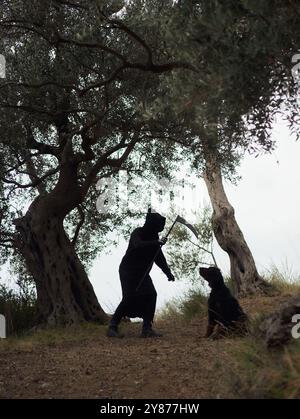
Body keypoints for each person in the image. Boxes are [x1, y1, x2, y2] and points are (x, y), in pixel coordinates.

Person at [107, 209, 175, 338]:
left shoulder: (155, 239)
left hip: (142, 273)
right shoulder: (138, 232)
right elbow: (138, 244)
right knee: (129, 297)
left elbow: (159, 258)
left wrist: (168, 272)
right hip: (128, 270)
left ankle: (147, 328)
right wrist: (156, 243)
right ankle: (112, 326)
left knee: (151, 295)